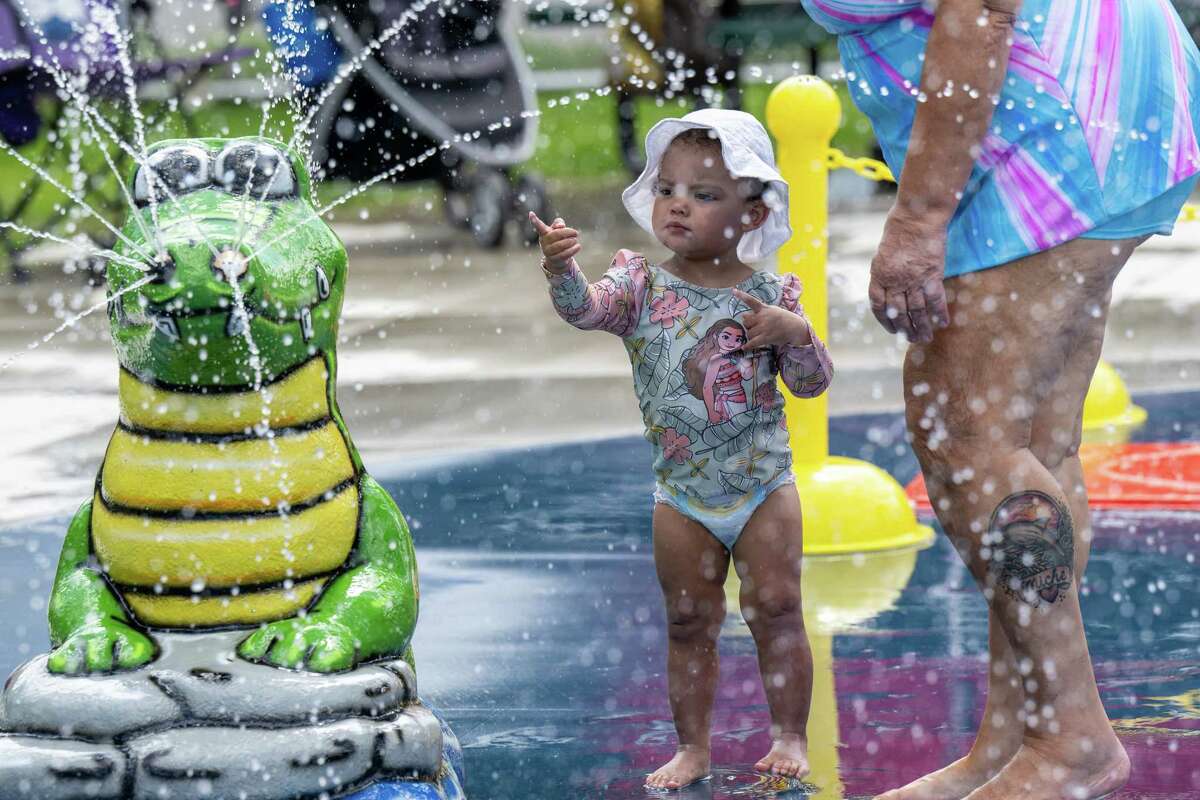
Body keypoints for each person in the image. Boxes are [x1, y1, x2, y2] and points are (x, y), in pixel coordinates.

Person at [799, 1, 1200, 798]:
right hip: (1094, 92)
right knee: (1032, 441)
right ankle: (1021, 736)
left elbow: (980, 7)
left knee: (964, 431)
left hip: (1050, 112)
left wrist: (916, 220)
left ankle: (1070, 739)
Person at [529, 109, 834, 791]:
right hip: (682, 495)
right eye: (667, 189)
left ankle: (789, 734)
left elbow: (811, 386)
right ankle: (693, 746)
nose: (677, 206)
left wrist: (797, 335)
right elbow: (585, 310)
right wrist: (561, 268)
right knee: (689, 619)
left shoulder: (771, 296)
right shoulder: (640, 286)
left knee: (778, 610)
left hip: (763, 489)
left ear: (752, 214)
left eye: (703, 195)